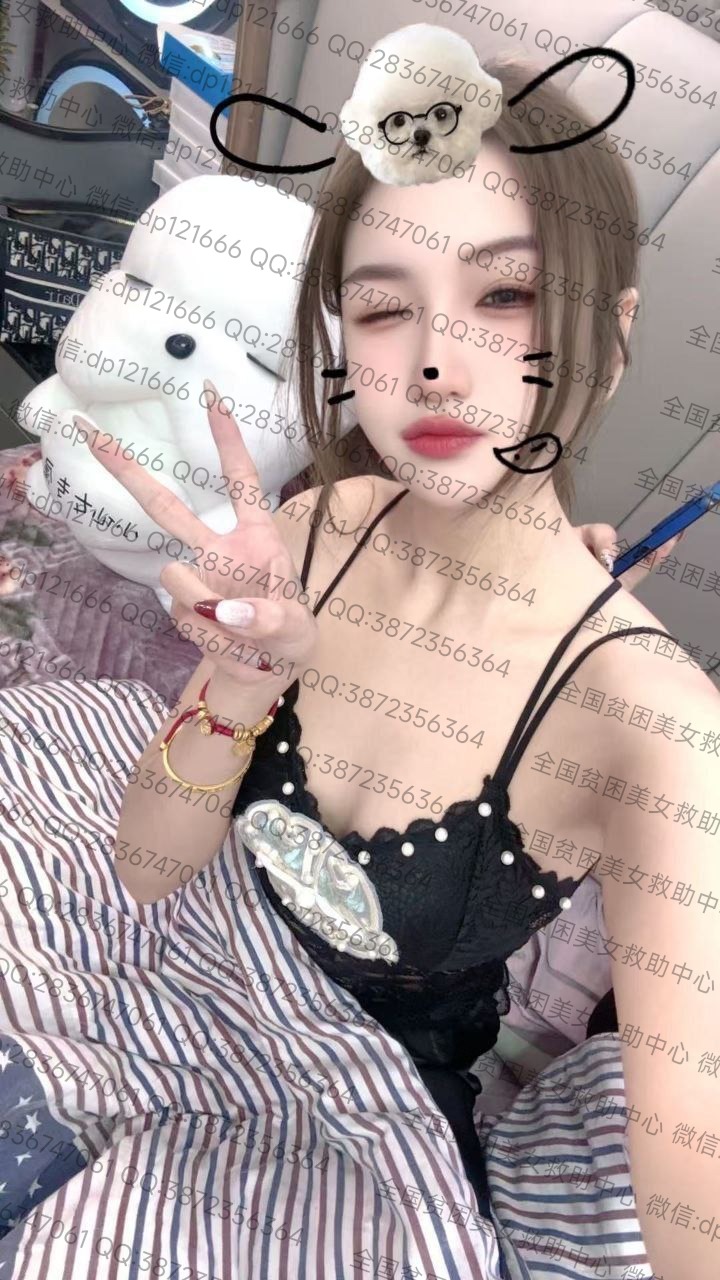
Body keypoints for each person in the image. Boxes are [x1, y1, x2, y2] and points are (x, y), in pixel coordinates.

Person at [1, 56, 714, 1280]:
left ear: (613, 329)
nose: (432, 362)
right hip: (176, 973)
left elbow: (692, 1169)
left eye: (506, 294)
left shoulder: (653, 726)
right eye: (383, 307)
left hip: (350, 1122)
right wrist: (236, 681)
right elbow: (150, 866)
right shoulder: (323, 524)